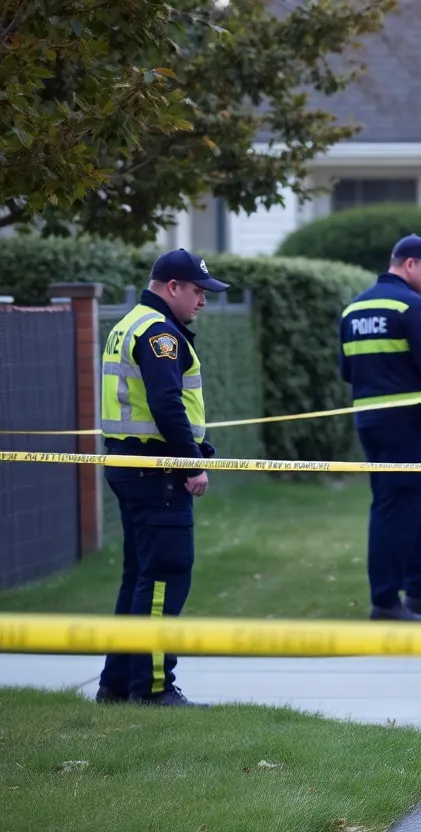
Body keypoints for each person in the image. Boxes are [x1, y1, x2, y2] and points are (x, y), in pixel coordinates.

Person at [95, 248, 230, 707]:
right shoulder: (159, 333)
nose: (203, 301)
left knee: (139, 575)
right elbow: (166, 403)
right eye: (197, 291)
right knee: (165, 575)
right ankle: (153, 687)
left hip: (130, 464)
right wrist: (192, 463)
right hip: (158, 472)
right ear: (172, 287)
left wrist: (193, 450)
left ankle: (116, 683)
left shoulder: (129, 324)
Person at [339, 234, 421, 622]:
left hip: (370, 421)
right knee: (395, 507)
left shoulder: (353, 309)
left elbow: (347, 371)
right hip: (408, 422)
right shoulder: (413, 306)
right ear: (410, 264)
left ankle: (420, 590)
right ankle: (385, 601)